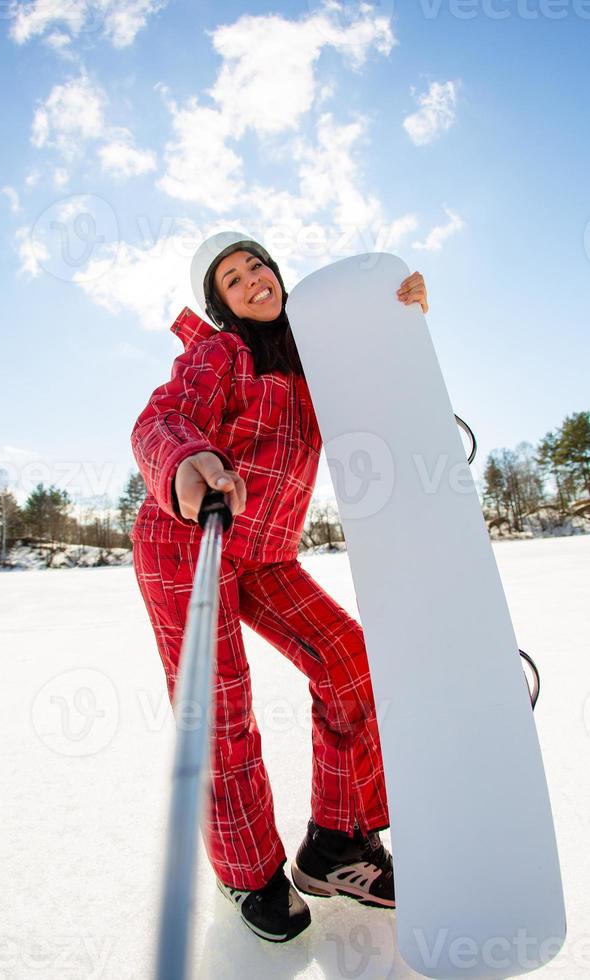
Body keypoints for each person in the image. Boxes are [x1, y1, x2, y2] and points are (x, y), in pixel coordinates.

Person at [130, 231, 428, 943]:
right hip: (188, 540)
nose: (252, 279)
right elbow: (162, 417)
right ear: (223, 304)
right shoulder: (221, 353)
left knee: (348, 660)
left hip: (264, 555)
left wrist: (401, 319)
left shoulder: (314, 360)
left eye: (257, 264)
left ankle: (337, 842)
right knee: (222, 708)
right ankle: (248, 872)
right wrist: (188, 462)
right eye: (233, 278)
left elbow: (378, 387)